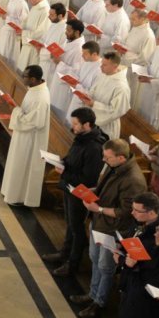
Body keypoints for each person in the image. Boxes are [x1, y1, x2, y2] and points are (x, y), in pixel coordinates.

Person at [79, 139, 147, 317]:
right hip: (99, 223)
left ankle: (99, 302)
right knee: (94, 259)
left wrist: (99, 209)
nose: (104, 160)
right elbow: (105, 189)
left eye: (107, 157)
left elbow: (127, 211)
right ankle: (92, 293)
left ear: (121, 158)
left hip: (113, 229)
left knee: (106, 266)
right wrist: (91, 191)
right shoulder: (114, 166)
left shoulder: (133, 180)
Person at [43, 107, 106, 277]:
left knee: (77, 229)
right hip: (69, 187)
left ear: (87, 124)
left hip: (79, 193)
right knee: (70, 224)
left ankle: (73, 264)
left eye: (76, 124)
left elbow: (89, 178)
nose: (73, 127)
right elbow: (73, 157)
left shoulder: (94, 147)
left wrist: (65, 172)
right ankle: (64, 254)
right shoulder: (82, 138)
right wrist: (62, 161)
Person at [0, 66, 50, 208]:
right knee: (16, 163)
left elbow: (36, 122)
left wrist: (15, 111)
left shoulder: (41, 97)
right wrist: (17, 110)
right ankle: (10, 191)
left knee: (22, 166)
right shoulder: (35, 89)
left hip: (30, 140)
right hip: (23, 135)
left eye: (25, 76)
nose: (23, 78)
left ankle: (18, 196)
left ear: (33, 79)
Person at [76, 51, 129, 141]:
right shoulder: (103, 75)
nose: (100, 67)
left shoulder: (121, 87)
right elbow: (93, 90)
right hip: (92, 121)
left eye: (104, 65)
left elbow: (116, 111)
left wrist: (94, 104)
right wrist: (86, 96)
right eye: (101, 64)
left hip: (106, 128)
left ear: (115, 66)